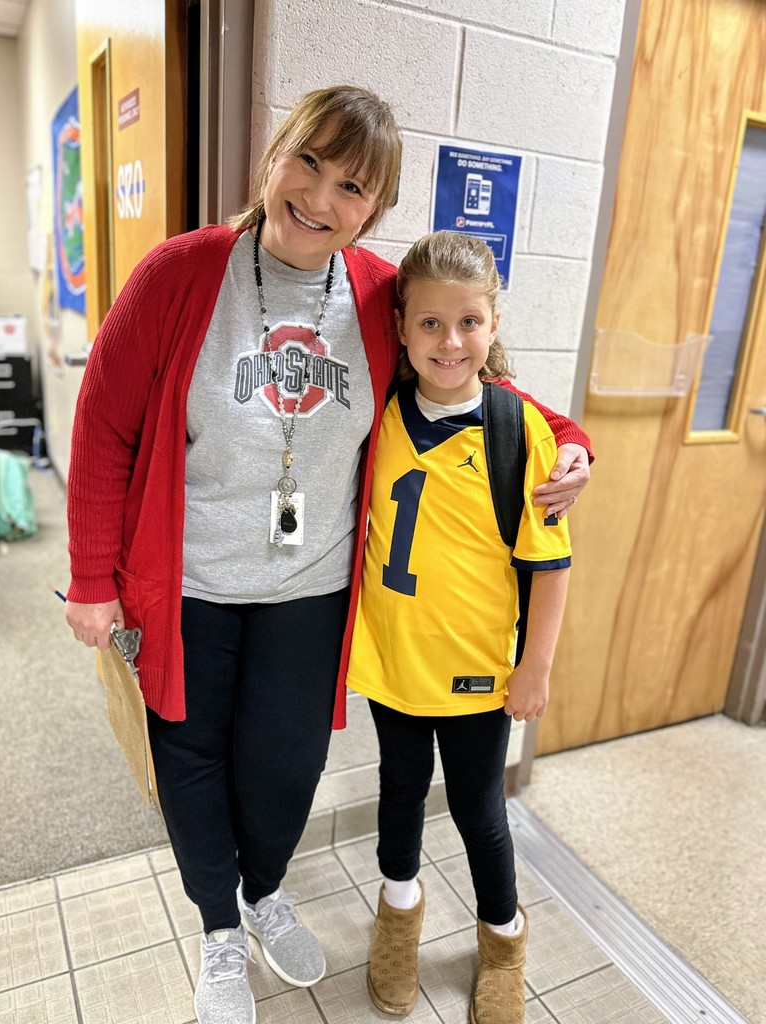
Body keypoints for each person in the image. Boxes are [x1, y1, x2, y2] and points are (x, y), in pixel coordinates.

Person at [64, 87, 590, 1024]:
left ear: (372, 210)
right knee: (191, 757)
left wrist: (573, 439)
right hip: (189, 582)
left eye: (352, 185)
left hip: (312, 589)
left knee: (286, 762)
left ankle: (265, 891)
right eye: (309, 161)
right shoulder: (180, 275)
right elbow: (104, 424)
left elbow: (477, 373)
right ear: (275, 155)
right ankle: (220, 931)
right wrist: (93, 580)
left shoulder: (381, 296)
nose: (319, 196)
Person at [346, 231, 573, 1024]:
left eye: (469, 323)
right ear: (402, 328)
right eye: (432, 325)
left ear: (494, 323)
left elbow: (550, 567)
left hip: (478, 675)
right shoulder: (378, 413)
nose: (451, 342)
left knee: (481, 811)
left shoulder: (520, 432)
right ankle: (397, 920)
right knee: (399, 793)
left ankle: (504, 938)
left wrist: (534, 667)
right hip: (392, 663)